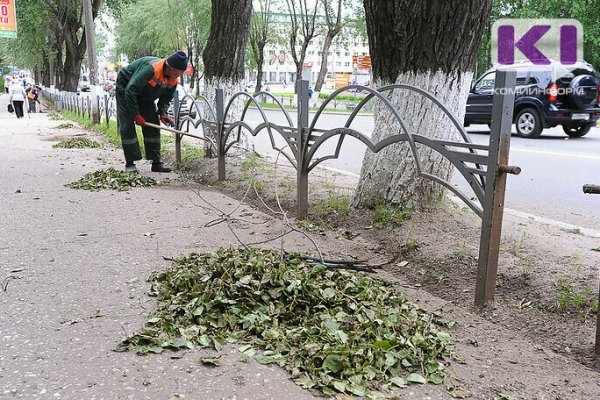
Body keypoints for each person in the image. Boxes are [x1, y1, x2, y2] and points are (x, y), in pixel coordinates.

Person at [115, 50, 188, 173]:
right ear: (170, 67)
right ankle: (130, 163)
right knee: (127, 124)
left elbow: (165, 99)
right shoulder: (151, 69)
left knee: (153, 123)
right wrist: (136, 115)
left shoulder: (174, 79)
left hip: (145, 94)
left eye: (182, 72)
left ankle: (156, 162)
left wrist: (162, 113)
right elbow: (131, 90)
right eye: (178, 72)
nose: (179, 75)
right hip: (126, 88)